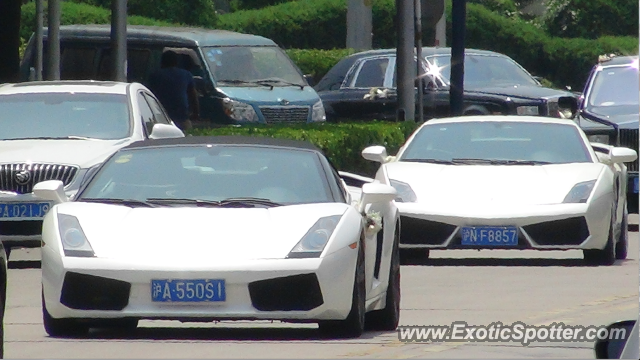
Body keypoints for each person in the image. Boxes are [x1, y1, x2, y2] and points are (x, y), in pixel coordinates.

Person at [147, 50, 199, 130]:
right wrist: (196, 113)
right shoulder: (186, 74)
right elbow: (193, 95)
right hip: (181, 115)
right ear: (176, 62)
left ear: (162, 62)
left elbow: (149, 94)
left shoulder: (155, 75)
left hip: (161, 114)